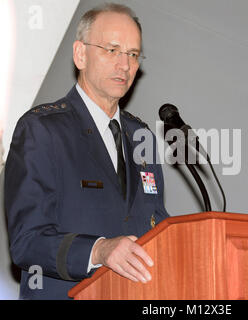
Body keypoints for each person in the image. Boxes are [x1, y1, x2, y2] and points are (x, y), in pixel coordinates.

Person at [4, 3, 169, 300]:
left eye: (133, 54)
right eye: (112, 50)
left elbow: (156, 226)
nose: (125, 65)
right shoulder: (42, 130)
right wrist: (99, 250)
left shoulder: (141, 136)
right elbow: (27, 242)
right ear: (80, 54)